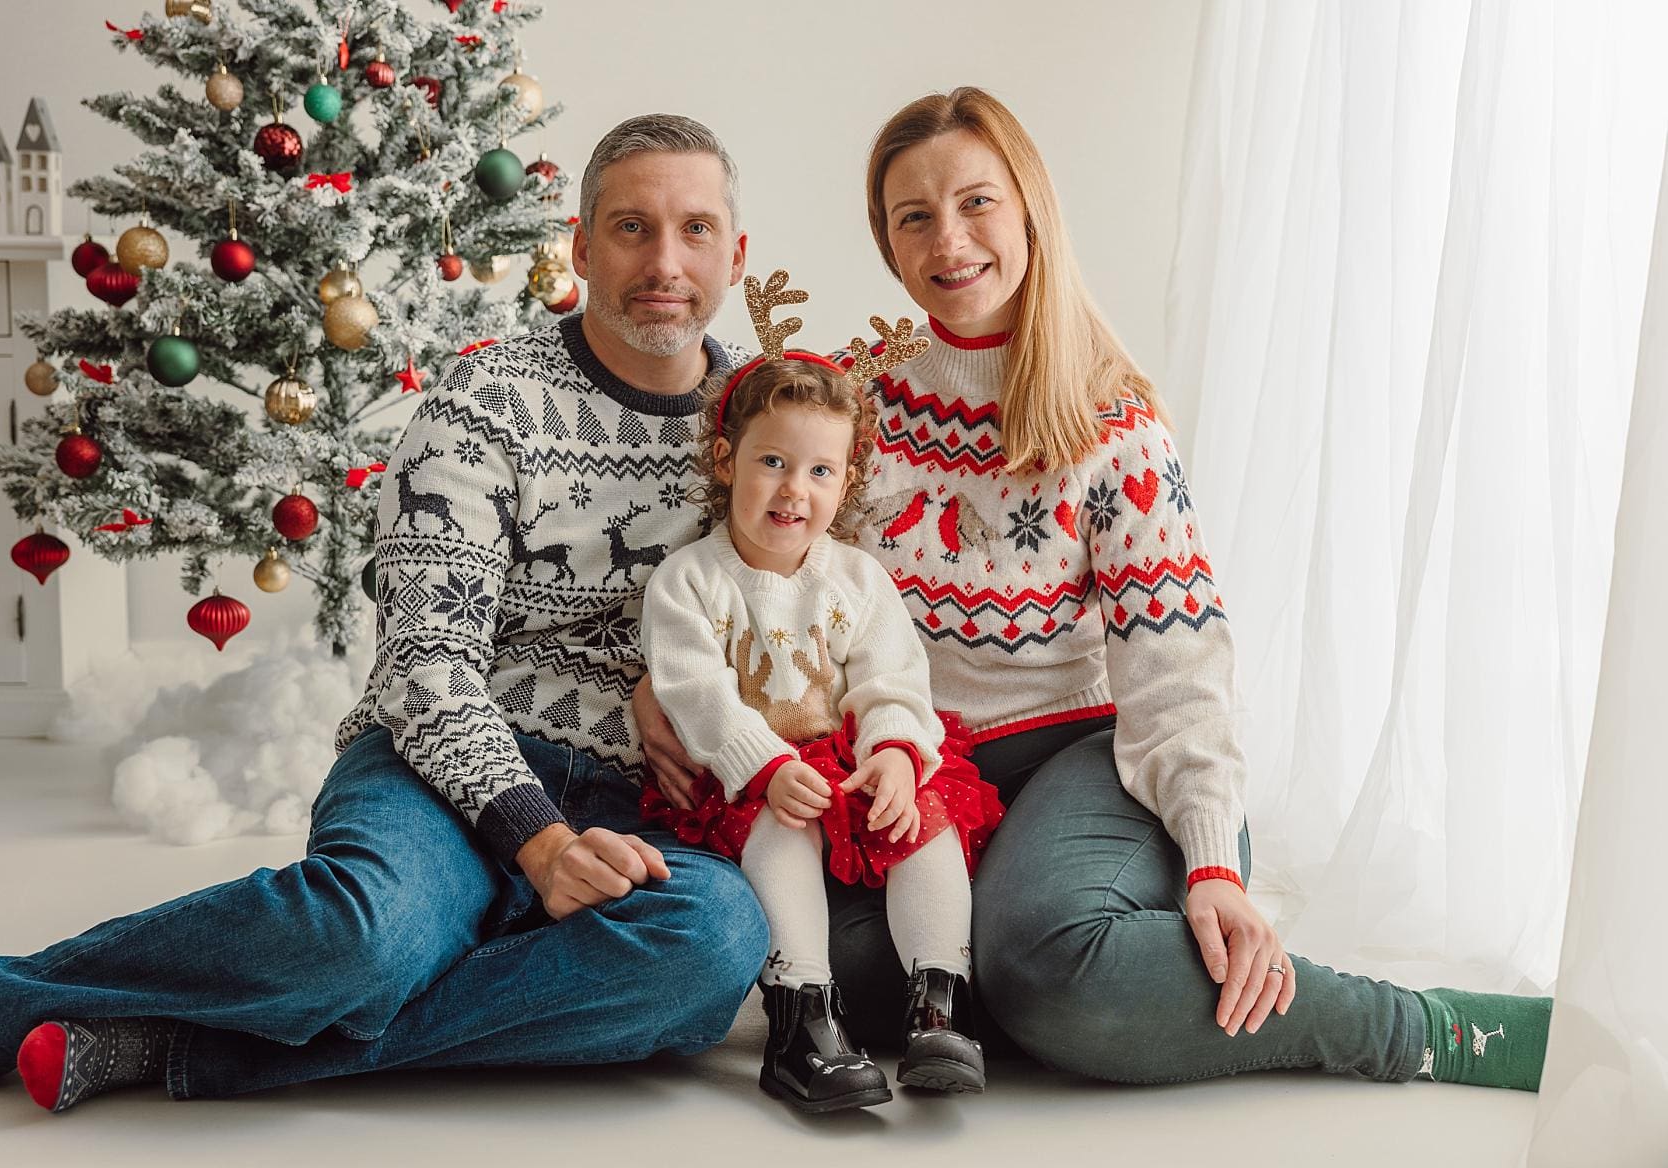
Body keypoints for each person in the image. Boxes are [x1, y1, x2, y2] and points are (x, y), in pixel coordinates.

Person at [635, 88, 1554, 1092]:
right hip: (908, 773)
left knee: (1038, 966)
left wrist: (1209, 858)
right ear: (887, 242)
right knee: (847, 972)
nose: (949, 240)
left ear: (1029, 209)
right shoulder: (854, 411)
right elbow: (738, 568)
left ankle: (1420, 1028)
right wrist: (655, 690)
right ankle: (1064, 988)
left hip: (1090, 757)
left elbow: (1178, 666)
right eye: (914, 217)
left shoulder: (1111, 424)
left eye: (977, 202)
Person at [0, 113, 769, 1112]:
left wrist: (680, 687)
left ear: (737, 253)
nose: (664, 261)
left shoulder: (761, 426)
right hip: (441, 765)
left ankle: (172, 1045)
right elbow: (426, 667)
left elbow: (812, 612)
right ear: (580, 248)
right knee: (357, 939)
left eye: (695, 229)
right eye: (631, 227)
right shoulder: (483, 406)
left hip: (642, 801)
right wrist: (538, 842)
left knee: (707, 949)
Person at [636, 272, 1005, 1113]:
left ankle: (940, 1001)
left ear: (846, 483)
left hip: (850, 756)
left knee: (924, 822)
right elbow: (694, 691)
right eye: (772, 462)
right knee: (782, 829)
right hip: (754, 772)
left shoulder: (858, 577)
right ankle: (804, 1015)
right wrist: (763, 767)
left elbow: (891, 675)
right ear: (727, 460)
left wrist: (895, 758)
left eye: (819, 471)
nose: (793, 490)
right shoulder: (691, 581)